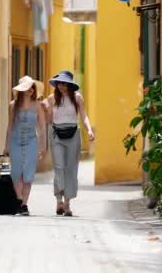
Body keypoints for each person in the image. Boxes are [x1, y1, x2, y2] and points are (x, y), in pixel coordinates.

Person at [47, 70, 95, 216]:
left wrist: (89, 130)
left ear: (69, 84)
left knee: (71, 170)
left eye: (64, 83)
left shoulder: (77, 97)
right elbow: (49, 120)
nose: (61, 86)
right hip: (57, 135)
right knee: (59, 167)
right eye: (59, 83)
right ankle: (58, 201)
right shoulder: (51, 98)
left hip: (73, 134)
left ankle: (67, 204)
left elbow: (84, 115)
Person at [3, 76, 47, 216]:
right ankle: (18, 200)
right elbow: (9, 127)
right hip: (15, 141)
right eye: (28, 87)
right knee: (16, 174)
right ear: (22, 90)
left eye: (33, 87)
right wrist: (6, 146)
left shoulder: (38, 106)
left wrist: (43, 146)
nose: (31, 90)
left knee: (28, 175)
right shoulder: (12, 105)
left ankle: (24, 204)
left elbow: (42, 128)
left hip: (31, 142)